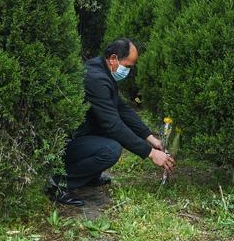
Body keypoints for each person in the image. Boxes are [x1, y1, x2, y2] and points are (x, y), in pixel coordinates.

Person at [48, 38, 175, 206]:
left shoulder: (102, 69)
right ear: (113, 59)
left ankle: (90, 177)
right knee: (111, 149)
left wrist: (149, 137)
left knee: (110, 138)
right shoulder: (96, 79)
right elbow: (113, 125)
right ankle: (60, 184)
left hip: (81, 136)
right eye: (128, 66)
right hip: (65, 143)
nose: (128, 71)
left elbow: (122, 108)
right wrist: (150, 153)